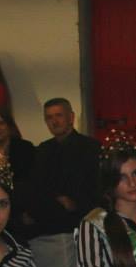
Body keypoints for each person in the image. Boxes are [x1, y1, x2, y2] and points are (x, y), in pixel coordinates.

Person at [26, 98, 101, 237]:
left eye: (59, 115)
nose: (54, 121)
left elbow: (94, 186)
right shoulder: (43, 150)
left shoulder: (90, 148)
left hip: (82, 221)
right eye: (49, 118)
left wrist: (74, 203)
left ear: (71, 117)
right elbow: (36, 184)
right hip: (48, 221)